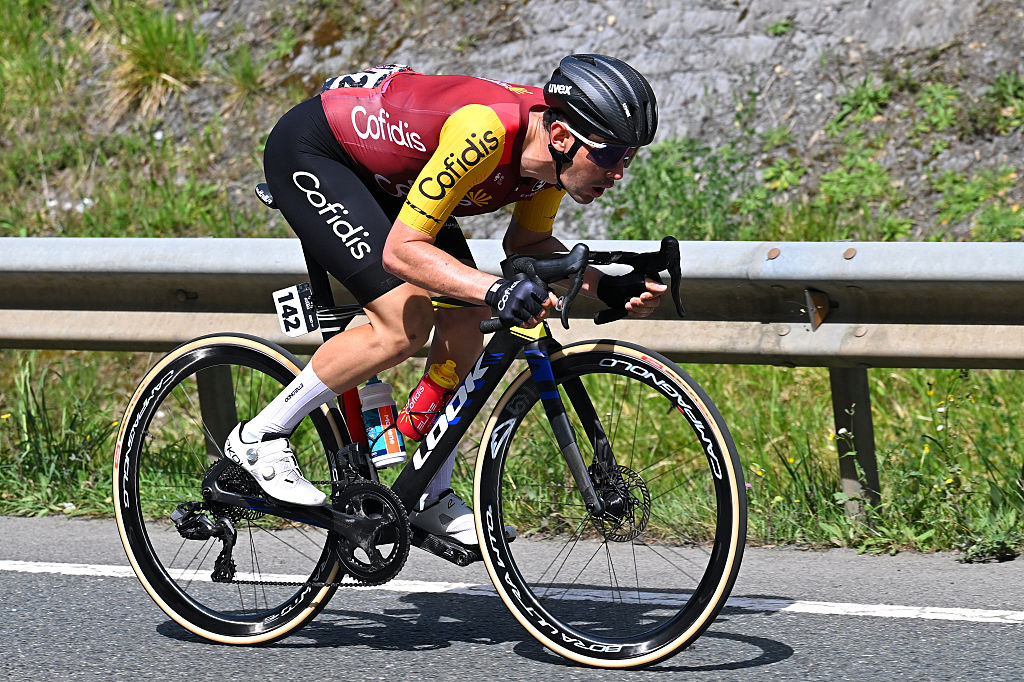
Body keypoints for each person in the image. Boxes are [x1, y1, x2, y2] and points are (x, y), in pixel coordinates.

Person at [223, 54, 667, 546]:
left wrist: (609, 285)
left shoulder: (550, 164)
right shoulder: (485, 133)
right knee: (404, 323)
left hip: (390, 178)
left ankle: (426, 495)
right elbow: (401, 252)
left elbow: (525, 245)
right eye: (609, 156)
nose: (619, 171)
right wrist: (498, 288)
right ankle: (258, 437)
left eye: (628, 157)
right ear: (562, 138)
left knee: (471, 315)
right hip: (317, 152)